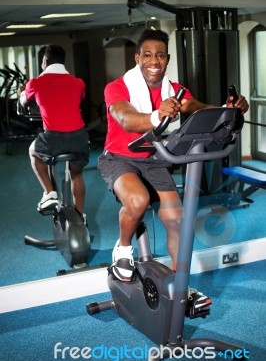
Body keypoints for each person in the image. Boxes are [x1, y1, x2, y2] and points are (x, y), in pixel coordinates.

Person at [98, 28, 249, 308]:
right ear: (137, 57)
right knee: (137, 200)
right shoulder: (117, 87)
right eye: (147, 55)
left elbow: (197, 108)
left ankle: (181, 289)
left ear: (167, 59)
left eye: (160, 55)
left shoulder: (175, 91)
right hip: (119, 158)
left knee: (177, 221)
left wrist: (228, 109)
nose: (154, 61)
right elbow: (126, 118)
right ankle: (122, 248)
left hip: (156, 158)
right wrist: (157, 115)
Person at [18, 44, 90, 220]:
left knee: (33, 152)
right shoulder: (78, 82)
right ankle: (80, 217)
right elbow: (77, 99)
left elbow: (24, 103)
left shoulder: (35, 83)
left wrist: (22, 93)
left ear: (45, 61)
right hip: (79, 139)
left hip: (52, 140)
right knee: (76, 173)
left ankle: (50, 193)